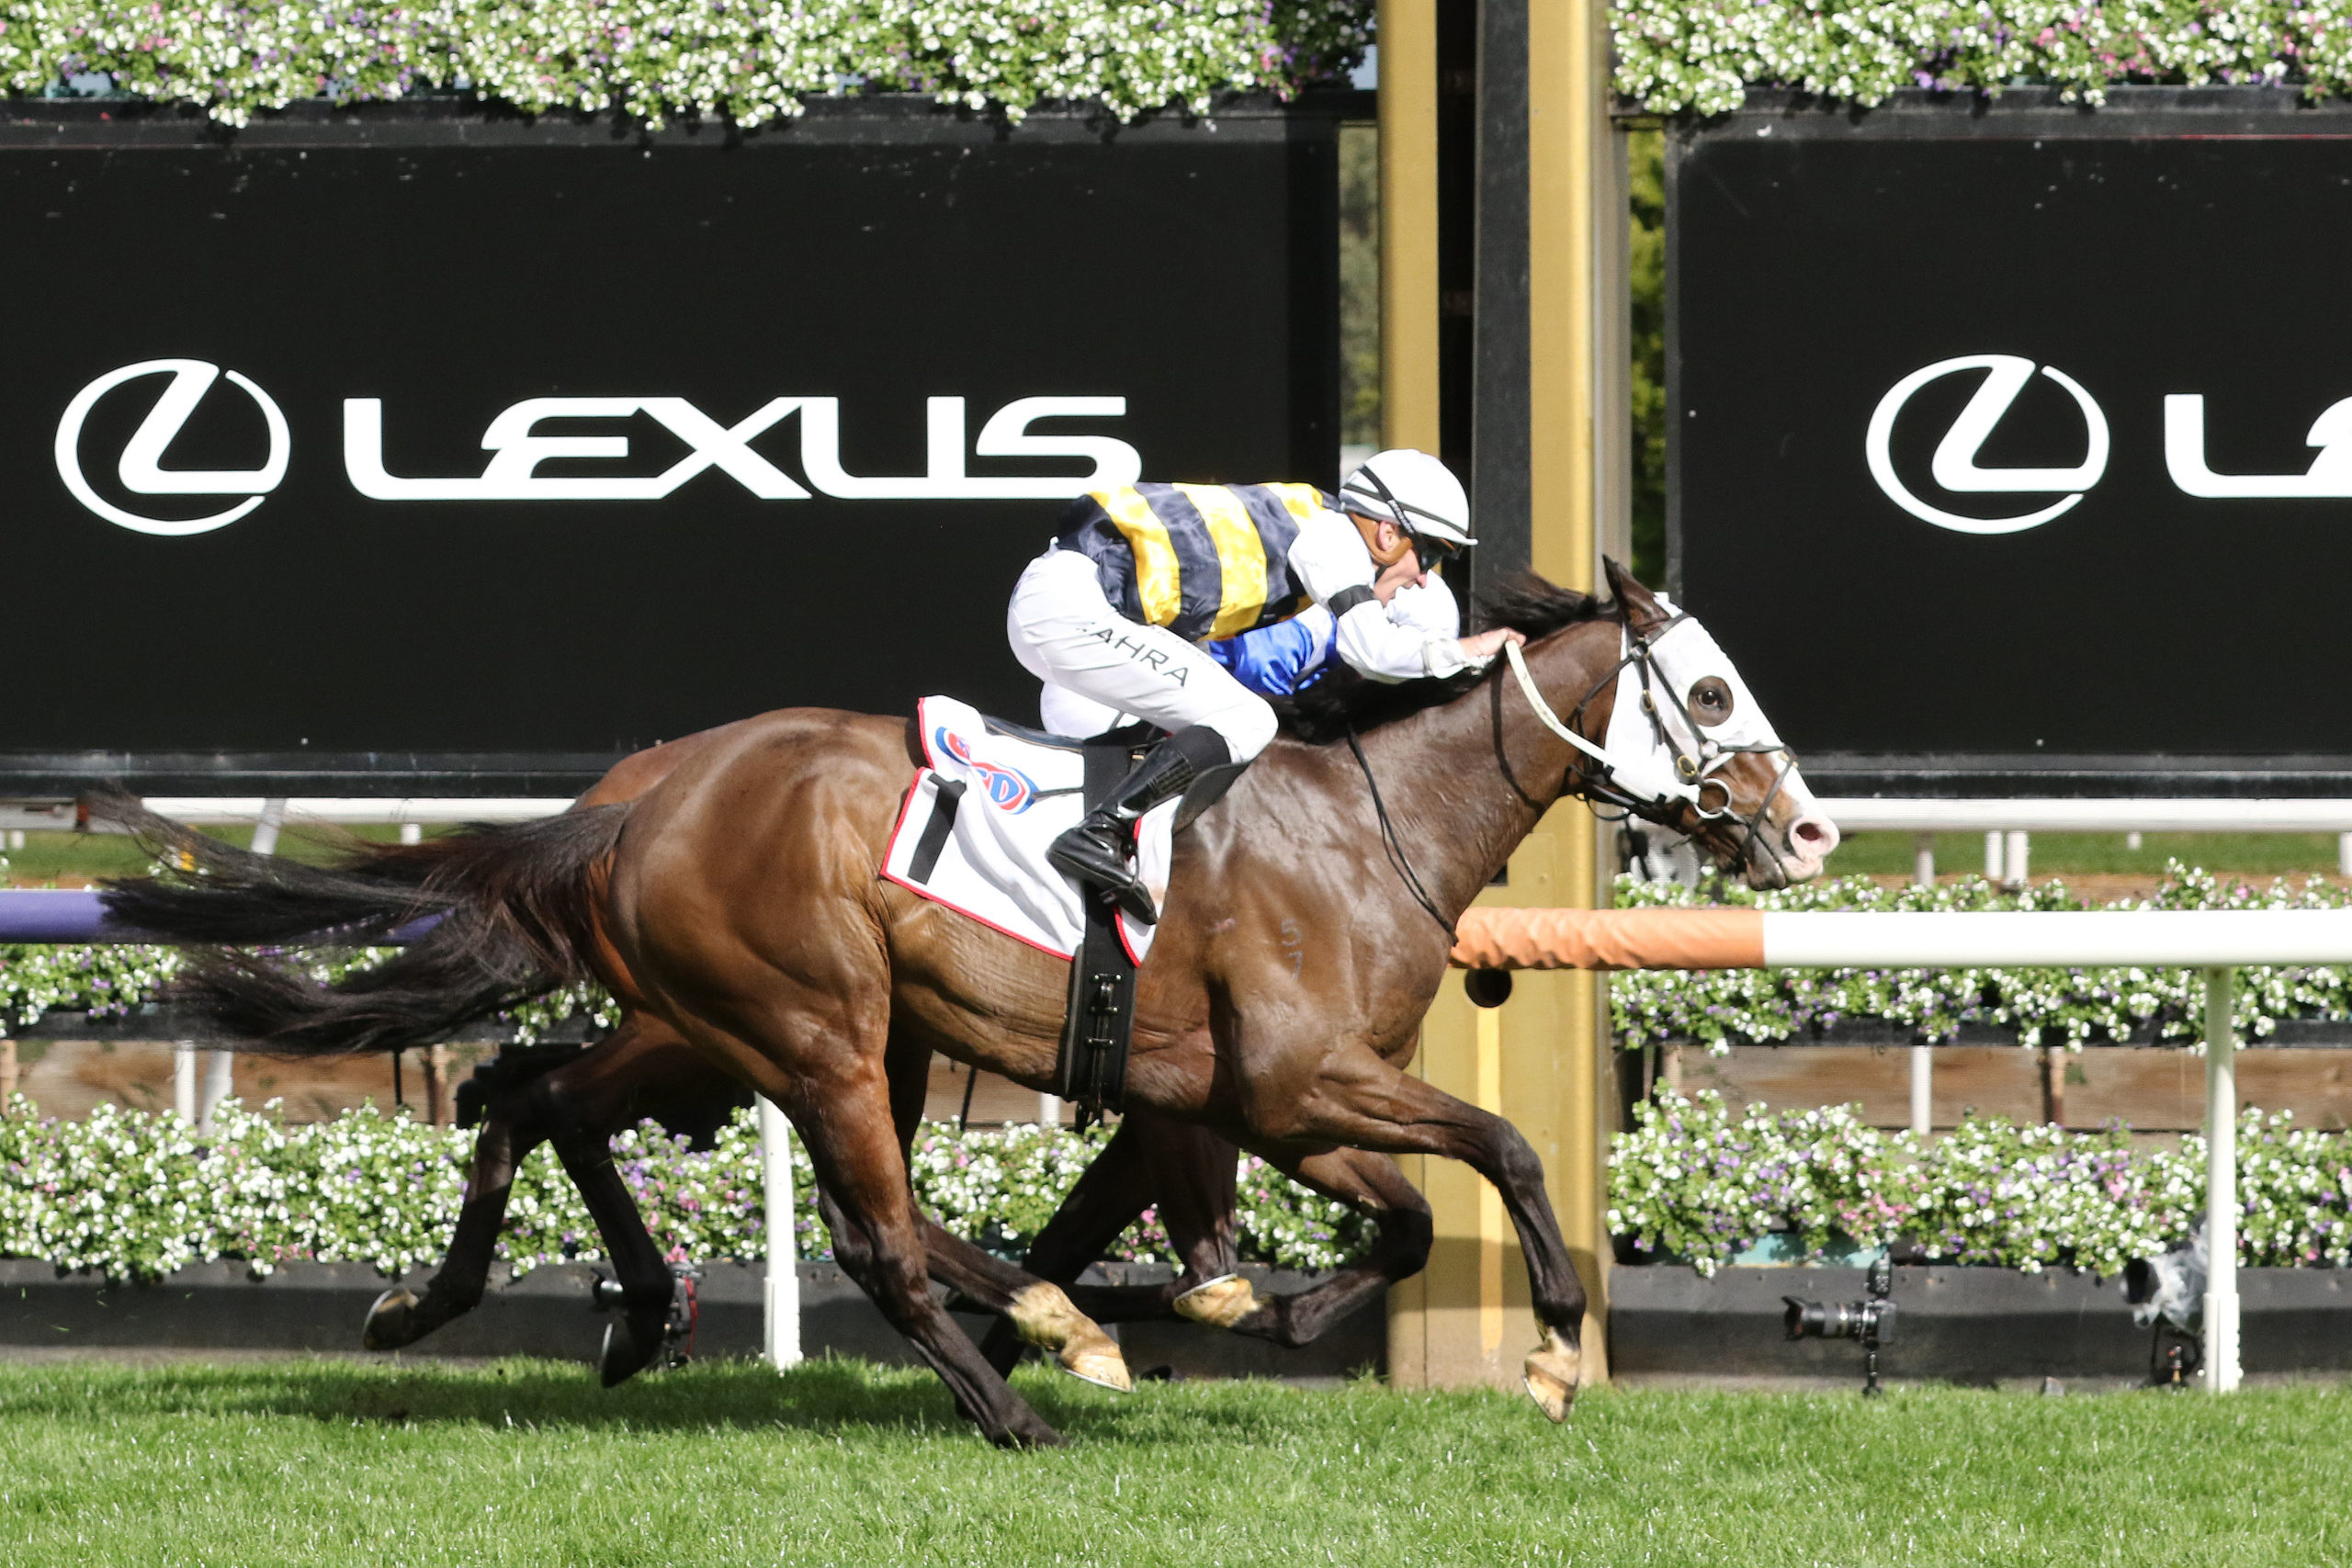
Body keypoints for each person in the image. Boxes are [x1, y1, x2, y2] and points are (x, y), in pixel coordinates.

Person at [1005, 448, 1523, 922]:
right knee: (1249, 721)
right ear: (1388, 534)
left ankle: (1118, 843)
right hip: (1072, 610)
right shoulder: (1332, 541)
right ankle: (1101, 832)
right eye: (1429, 555)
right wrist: (1472, 651)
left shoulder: (1318, 526)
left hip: (1083, 606)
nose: (1425, 577)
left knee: (1233, 730)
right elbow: (1372, 652)